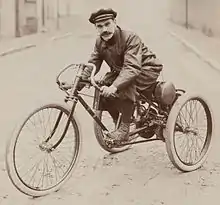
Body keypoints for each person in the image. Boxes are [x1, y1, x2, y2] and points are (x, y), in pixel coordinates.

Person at [80, 8, 163, 143]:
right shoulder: (99, 42)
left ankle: (124, 130)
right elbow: (92, 64)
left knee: (125, 85)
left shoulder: (130, 37)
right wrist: (77, 84)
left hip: (147, 69)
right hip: (123, 70)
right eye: (99, 26)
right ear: (96, 28)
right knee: (102, 88)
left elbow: (132, 68)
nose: (104, 29)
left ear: (115, 22)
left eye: (107, 24)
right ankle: (120, 122)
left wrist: (114, 86)